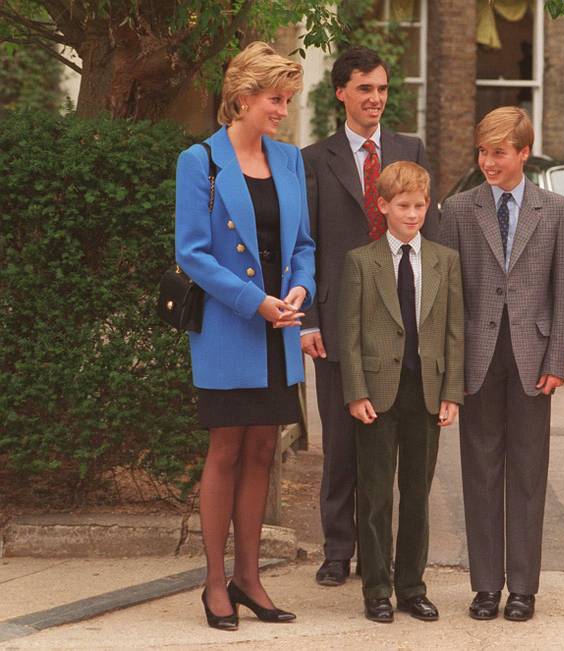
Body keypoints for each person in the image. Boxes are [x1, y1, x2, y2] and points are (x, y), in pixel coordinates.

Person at [175, 41, 315, 630]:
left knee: (264, 449)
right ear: (243, 97)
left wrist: (299, 292)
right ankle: (214, 583)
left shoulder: (289, 161)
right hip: (231, 326)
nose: (282, 109)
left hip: (279, 326)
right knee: (227, 450)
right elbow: (193, 253)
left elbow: (304, 245)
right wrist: (254, 301)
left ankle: (250, 578)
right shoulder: (200, 160)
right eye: (275, 98)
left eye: (286, 99)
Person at [301, 46, 438, 587]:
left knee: (397, 448)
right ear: (341, 93)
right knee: (340, 442)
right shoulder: (314, 159)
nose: (376, 99)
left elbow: (429, 229)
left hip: (403, 318)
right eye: (365, 89)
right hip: (338, 321)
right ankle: (338, 549)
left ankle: (391, 560)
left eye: (382, 89)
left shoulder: (411, 148)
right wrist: (309, 319)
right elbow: (303, 244)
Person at [440, 107, 564, 622]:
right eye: (482, 152)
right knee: (478, 471)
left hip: (532, 357)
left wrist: (558, 358)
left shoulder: (556, 210)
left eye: (499, 152)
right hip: (476, 356)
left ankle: (523, 586)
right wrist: (449, 371)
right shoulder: (457, 209)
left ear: (524, 152)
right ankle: (485, 586)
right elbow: (448, 298)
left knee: (527, 471)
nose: (489, 161)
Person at [337, 161, 463, 623]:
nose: (413, 215)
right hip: (377, 392)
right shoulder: (361, 262)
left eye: (420, 206)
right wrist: (355, 391)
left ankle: (412, 586)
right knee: (374, 493)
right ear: (383, 206)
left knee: (417, 492)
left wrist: (452, 392)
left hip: (425, 392)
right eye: (403, 206)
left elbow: (454, 332)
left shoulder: (444, 260)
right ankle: (376, 589)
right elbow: (348, 333)